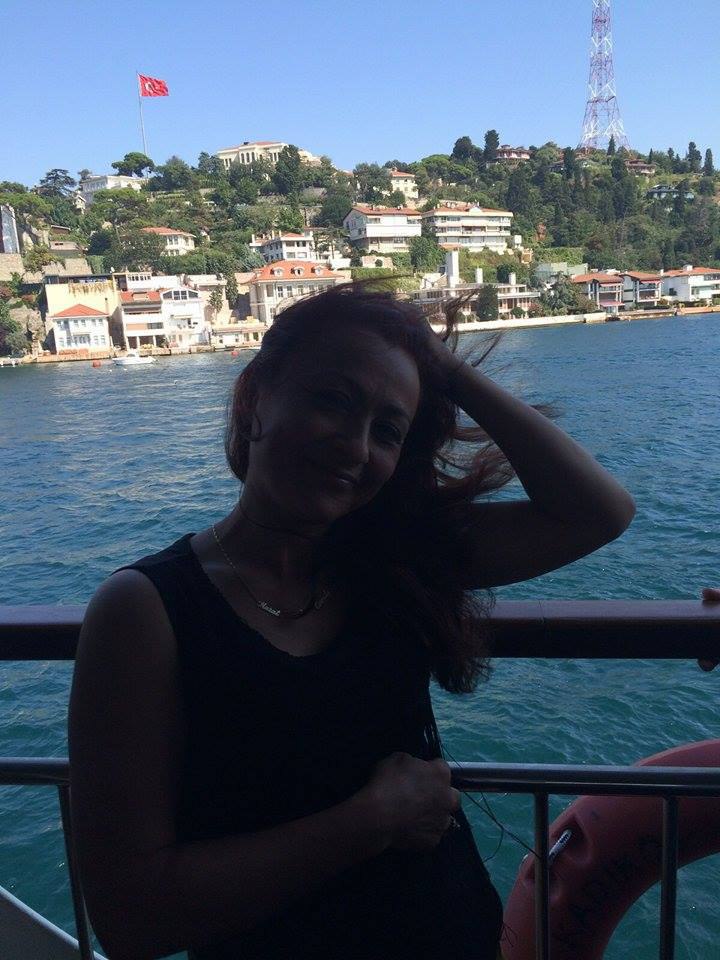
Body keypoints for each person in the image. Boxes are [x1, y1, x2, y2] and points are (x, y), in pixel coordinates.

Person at [68, 285, 635, 960]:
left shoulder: (394, 561)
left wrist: (442, 367)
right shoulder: (145, 610)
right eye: (332, 400)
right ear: (255, 400)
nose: (355, 446)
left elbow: (598, 513)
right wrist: (370, 822)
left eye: (387, 430)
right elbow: (130, 919)